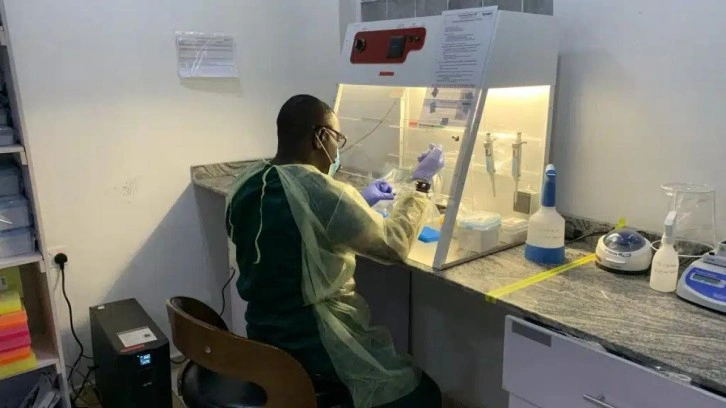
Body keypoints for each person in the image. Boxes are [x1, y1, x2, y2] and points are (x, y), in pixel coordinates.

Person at [226, 95, 444, 408]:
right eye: (337, 139)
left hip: (264, 333)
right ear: (320, 137)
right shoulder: (323, 191)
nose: (337, 150)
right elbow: (394, 244)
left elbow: (290, 229)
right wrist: (421, 184)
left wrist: (358, 202)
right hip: (312, 340)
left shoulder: (246, 182)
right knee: (421, 394)